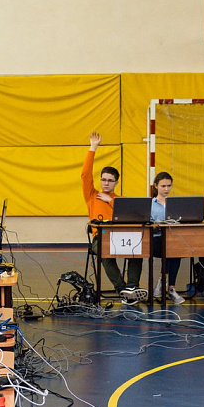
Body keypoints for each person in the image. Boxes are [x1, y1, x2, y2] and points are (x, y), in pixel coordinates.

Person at [82, 131, 145, 305]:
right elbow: (85, 175)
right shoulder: (92, 195)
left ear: (116, 182)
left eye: (110, 180)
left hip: (121, 237)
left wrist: (110, 200)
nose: (106, 183)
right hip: (101, 238)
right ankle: (123, 291)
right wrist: (93, 147)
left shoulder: (120, 200)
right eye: (103, 180)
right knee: (105, 253)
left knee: (137, 251)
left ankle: (131, 288)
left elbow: (130, 217)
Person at [150, 171, 184, 304]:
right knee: (171, 248)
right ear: (156, 186)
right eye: (163, 186)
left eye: (169, 186)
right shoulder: (150, 204)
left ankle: (168, 286)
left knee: (175, 248)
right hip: (155, 239)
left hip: (172, 239)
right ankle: (167, 284)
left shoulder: (176, 204)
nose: (166, 189)